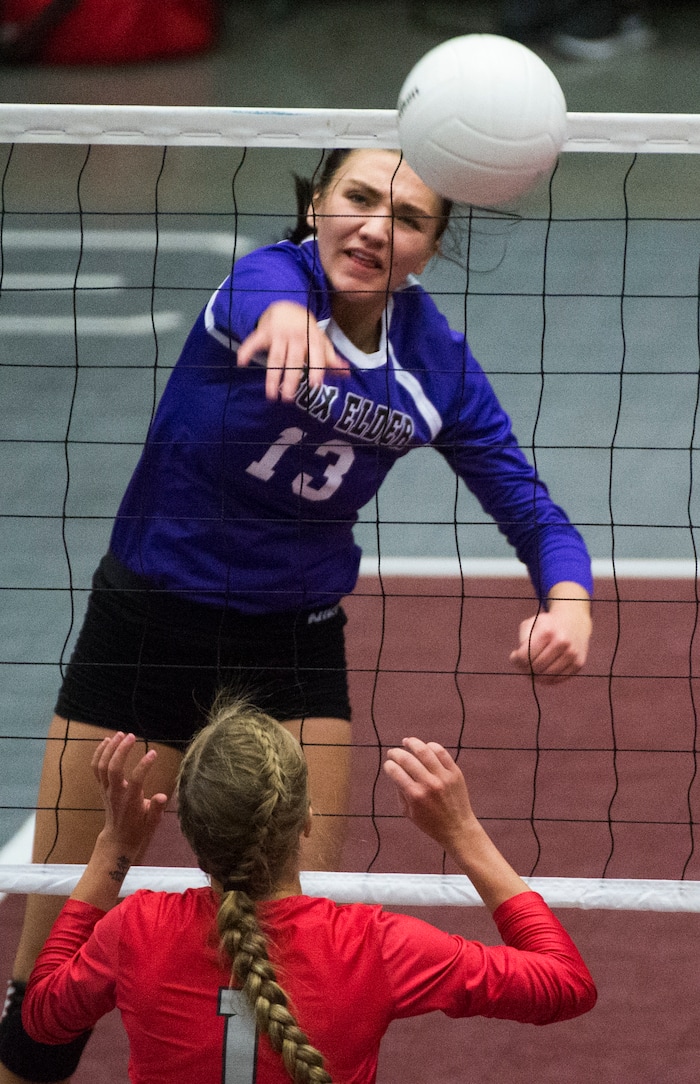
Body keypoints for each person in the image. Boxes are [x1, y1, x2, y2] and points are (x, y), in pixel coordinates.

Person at [0, 147, 593, 1083]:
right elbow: (256, 290)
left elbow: (531, 509)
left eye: (406, 217)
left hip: (293, 640)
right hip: (148, 623)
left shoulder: (432, 366)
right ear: (316, 204)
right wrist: (281, 315)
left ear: (429, 250)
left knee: (287, 942)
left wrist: (568, 604)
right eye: (356, 198)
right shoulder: (267, 282)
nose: (372, 227)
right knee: (40, 1001)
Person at [19, 701, 597, 1084]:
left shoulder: (136, 927)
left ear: (189, 828)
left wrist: (112, 849)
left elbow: (40, 1019)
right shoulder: (372, 944)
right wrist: (464, 834)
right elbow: (566, 985)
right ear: (306, 821)